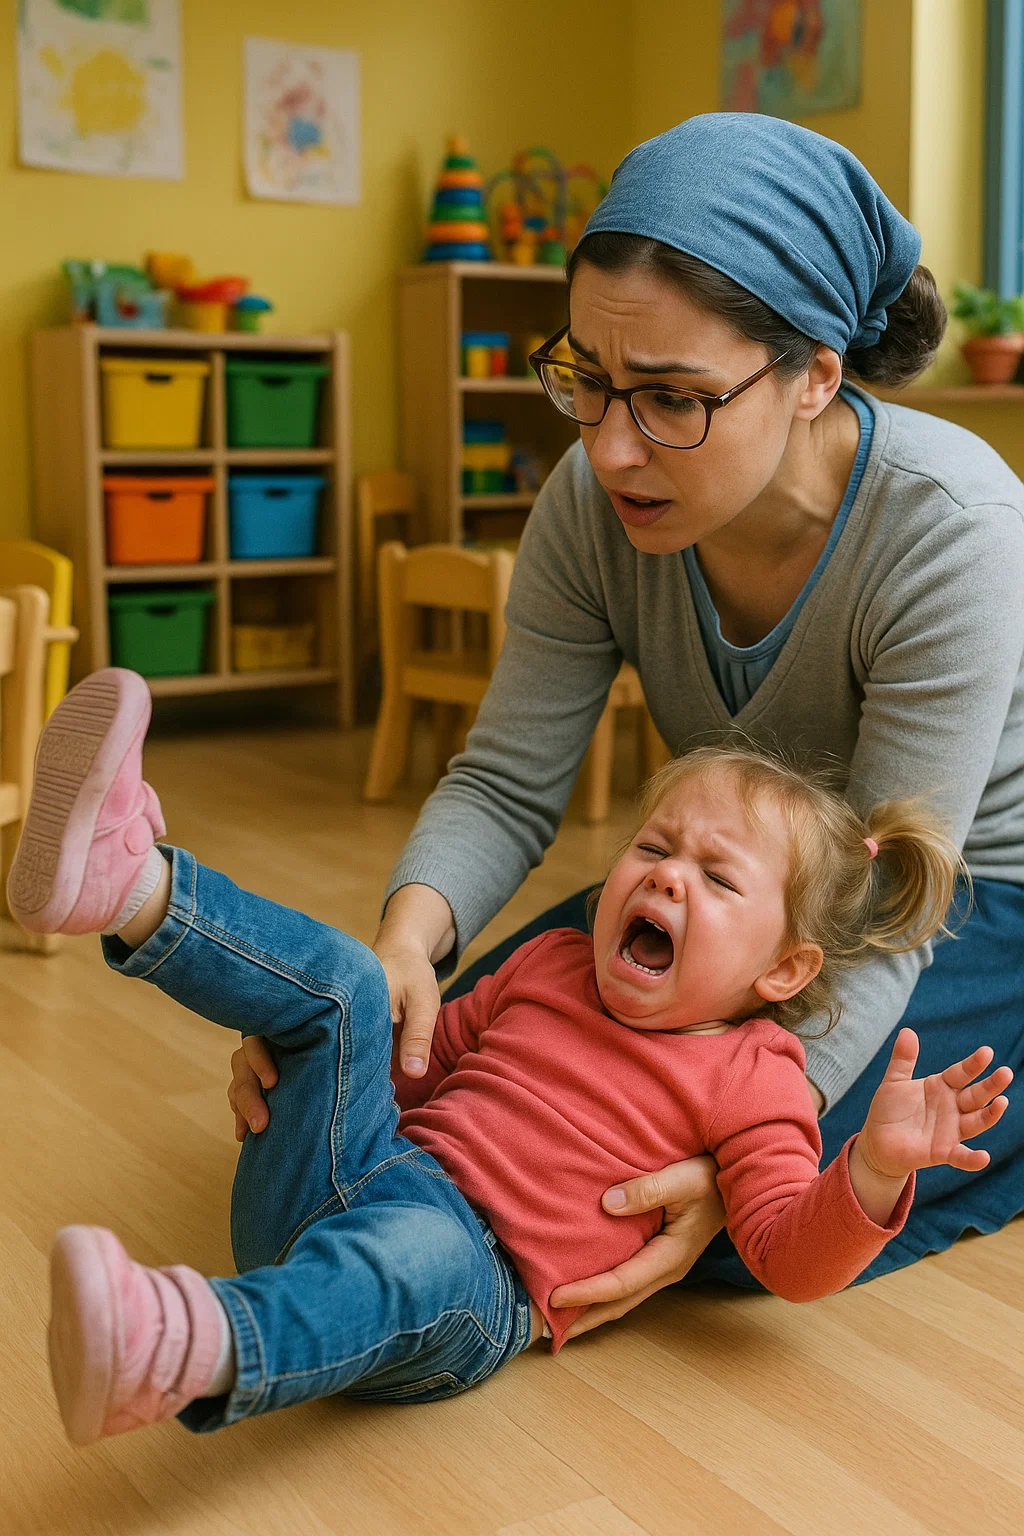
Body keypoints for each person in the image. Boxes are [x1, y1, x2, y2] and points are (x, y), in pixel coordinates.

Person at [231, 112, 1024, 1333]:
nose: (609, 448)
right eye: (588, 383)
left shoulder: (952, 527)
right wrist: (401, 954)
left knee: (701, 1200)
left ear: (816, 372)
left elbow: (886, 904)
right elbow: (504, 781)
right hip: (751, 887)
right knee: (463, 1083)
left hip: (950, 898)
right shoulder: (589, 498)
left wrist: (736, 1160)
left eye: (670, 399)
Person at [8, 669, 1011, 1445]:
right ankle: (130, 891)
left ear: (785, 970)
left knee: (422, 1251)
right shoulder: (553, 959)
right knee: (360, 985)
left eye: (715, 876)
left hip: (473, 1287)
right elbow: (418, 1062)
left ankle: (189, 1346)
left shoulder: (759, 1078)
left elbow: (788, 1258)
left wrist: (872, 1169)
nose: (666, 879)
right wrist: (312, 1044)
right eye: (654, 848)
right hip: (346, 1179)